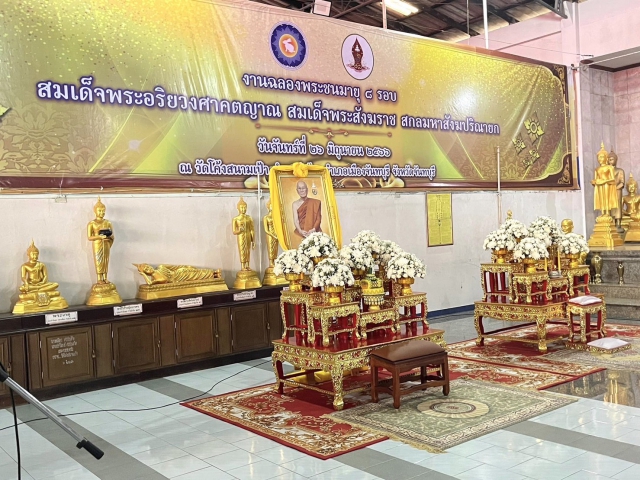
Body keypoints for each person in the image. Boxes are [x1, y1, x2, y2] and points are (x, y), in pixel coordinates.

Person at [87, 197, 114, 284]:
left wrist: (109, 238)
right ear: (95, 211)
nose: (102, 213)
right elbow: (89, 237)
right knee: (98, 260)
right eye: (99, 211)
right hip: (97, 244)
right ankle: (99, 278)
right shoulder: (92, 223)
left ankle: (105, 277)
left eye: (103, 211)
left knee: (106, 260)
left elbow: (112, 235)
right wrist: (99, 236)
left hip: (106, 243)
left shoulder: (108, 222)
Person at [592, 143, 618, 216]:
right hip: (599, 185)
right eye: (598, 157)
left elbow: (613, 179)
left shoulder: (610, 167)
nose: (600, 159)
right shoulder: (597, 169)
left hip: (606, 185)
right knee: (601, 198)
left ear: (606, 158)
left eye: (601, 157)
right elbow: (596, 179)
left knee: (606, 198)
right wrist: (594, 182)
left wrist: (604, 181)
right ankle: (602, 212)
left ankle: (607, 212)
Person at [232, 197, 255, 271]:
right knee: (242, 250)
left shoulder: (249, 218)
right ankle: (242, 266)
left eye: (245, 207)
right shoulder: (236, 219)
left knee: (248, 250)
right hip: (241, 236)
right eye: (242, 207)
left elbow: (252, 229)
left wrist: (253, 240)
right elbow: (234, 231)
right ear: (238, 208)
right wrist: (239, 230)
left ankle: (247, 265)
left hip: (248, 236)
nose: (243, 209)